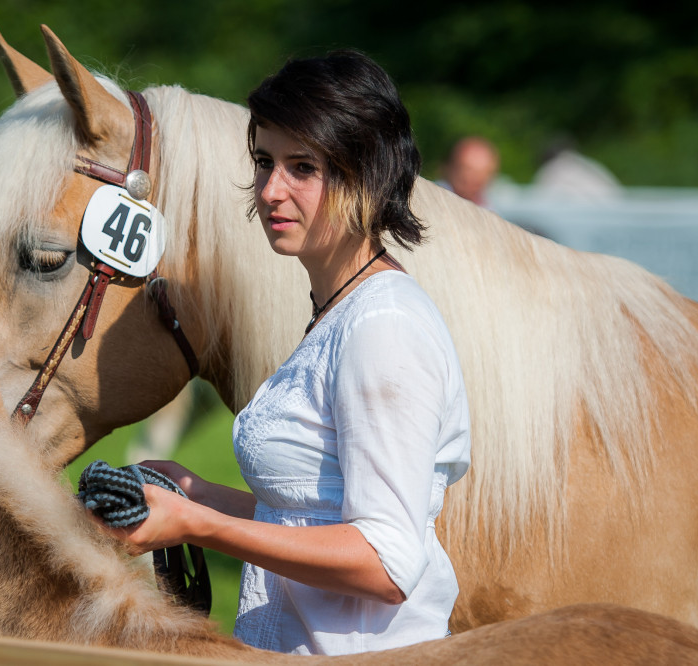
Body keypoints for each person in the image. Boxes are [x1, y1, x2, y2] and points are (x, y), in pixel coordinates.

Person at [98, 51, 471, 656]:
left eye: (303, 167)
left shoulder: (383, 327)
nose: (271, 189)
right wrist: (191, 490)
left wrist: (199, 526)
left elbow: (388, 562)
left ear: (367, 176)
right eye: (265, 162)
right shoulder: (343, 310)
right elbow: (313, 517)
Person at [439, 135, 499, 207]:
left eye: (481, 173)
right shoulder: (432, 194)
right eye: (467, 169)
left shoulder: (491, 210)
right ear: (450, 167)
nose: (473, 178)